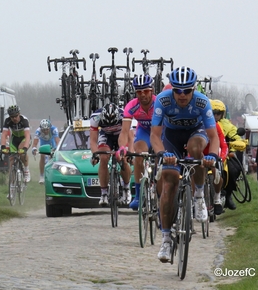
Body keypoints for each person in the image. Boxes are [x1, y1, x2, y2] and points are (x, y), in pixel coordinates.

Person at [151, 66, 219, 263]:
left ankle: (198, 196)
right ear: (172, 89)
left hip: (196, 133)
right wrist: (162, 154)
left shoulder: (201, 101)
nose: (182, 95)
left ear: (193, 89)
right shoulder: (163, 100)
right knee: (169, 182)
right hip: (171, 137)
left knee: (195, 149)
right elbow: (155, 135)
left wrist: (213, 155)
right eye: (178, 90)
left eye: (187, 90)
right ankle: (165, 239)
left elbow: (213, 136)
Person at [117, 74, 155, 211]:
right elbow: (124, 131)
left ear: (152, 91)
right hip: (144, 133)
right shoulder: (132, 106)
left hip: (160, 133)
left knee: (161, 159)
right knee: (138, 155)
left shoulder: (159, 104)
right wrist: (122, 147)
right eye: (139, 92)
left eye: (146, 91)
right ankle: (138, 196)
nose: (143, 95)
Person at [90, 103, 132, 207]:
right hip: (106, 135)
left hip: (121, 135)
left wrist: (130, 152)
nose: (110, 125)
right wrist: (95, 154)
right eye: (107, 123)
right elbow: (93, 140)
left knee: (122, 158)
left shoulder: (124, 115)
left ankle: (126, 187)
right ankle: (104, 193)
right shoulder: (95, 117)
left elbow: (130, 137)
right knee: (103, 157)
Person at [211, 99, 244, 210]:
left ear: (222, 114)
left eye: (218, 113)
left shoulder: (227, 125)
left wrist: (237, 142)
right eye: (213, 112)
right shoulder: (203, 121)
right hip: (205, 152)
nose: (215, 115)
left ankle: (228, 195)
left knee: (234, 169)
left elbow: (236, 136)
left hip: (223, 153)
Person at [0, 105, 31, 182]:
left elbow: (27, 135)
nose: (14, 118)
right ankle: (12, 190)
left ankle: (26, 170)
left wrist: (25, 148)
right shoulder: (7, 121)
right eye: (12, 117)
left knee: (21, 151)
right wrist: (3, 146)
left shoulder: (24, 120)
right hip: (14, 139)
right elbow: (4, 134)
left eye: (16, 116)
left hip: (24, 138)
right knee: (11, 160)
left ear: (19, 114)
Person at [31, 119, 60, 184]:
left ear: (50, 127)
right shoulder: (38, 131)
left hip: (52, 142)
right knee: (42, 156)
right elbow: (35, 143)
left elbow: (57, 141)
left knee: (54, 156)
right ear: (41, 129)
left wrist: (57, 149)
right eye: (43, 130)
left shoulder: (54, 129)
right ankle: (41, 176)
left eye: (47, 129)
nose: (46, 131)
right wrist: (34, 149)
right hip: (43, 142)